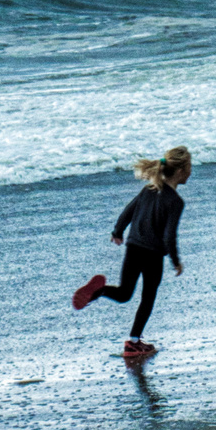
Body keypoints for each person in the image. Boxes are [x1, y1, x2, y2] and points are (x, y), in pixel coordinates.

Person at [71, 146, 191, 358]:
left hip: (133, 247)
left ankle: (97, 292)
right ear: (180, 171)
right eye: (189, 167)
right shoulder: (175, 201)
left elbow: (128, 211)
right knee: (148, 298)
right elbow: (169, 236)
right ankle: (133, 342)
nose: (191, 172)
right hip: (153, 254)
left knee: (124, 292)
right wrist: (175, 260)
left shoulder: (148, 190)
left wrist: (117, 231)